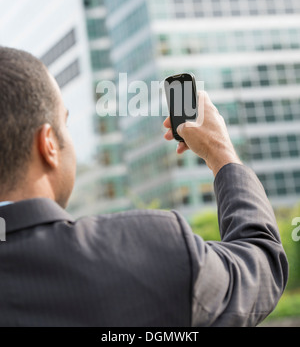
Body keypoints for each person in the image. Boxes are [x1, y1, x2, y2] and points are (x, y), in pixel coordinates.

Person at [0, 46, 288, 327]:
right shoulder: (147, 250)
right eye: (65, 123)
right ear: (49, 144)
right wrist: (220, 153)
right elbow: (259, 268)